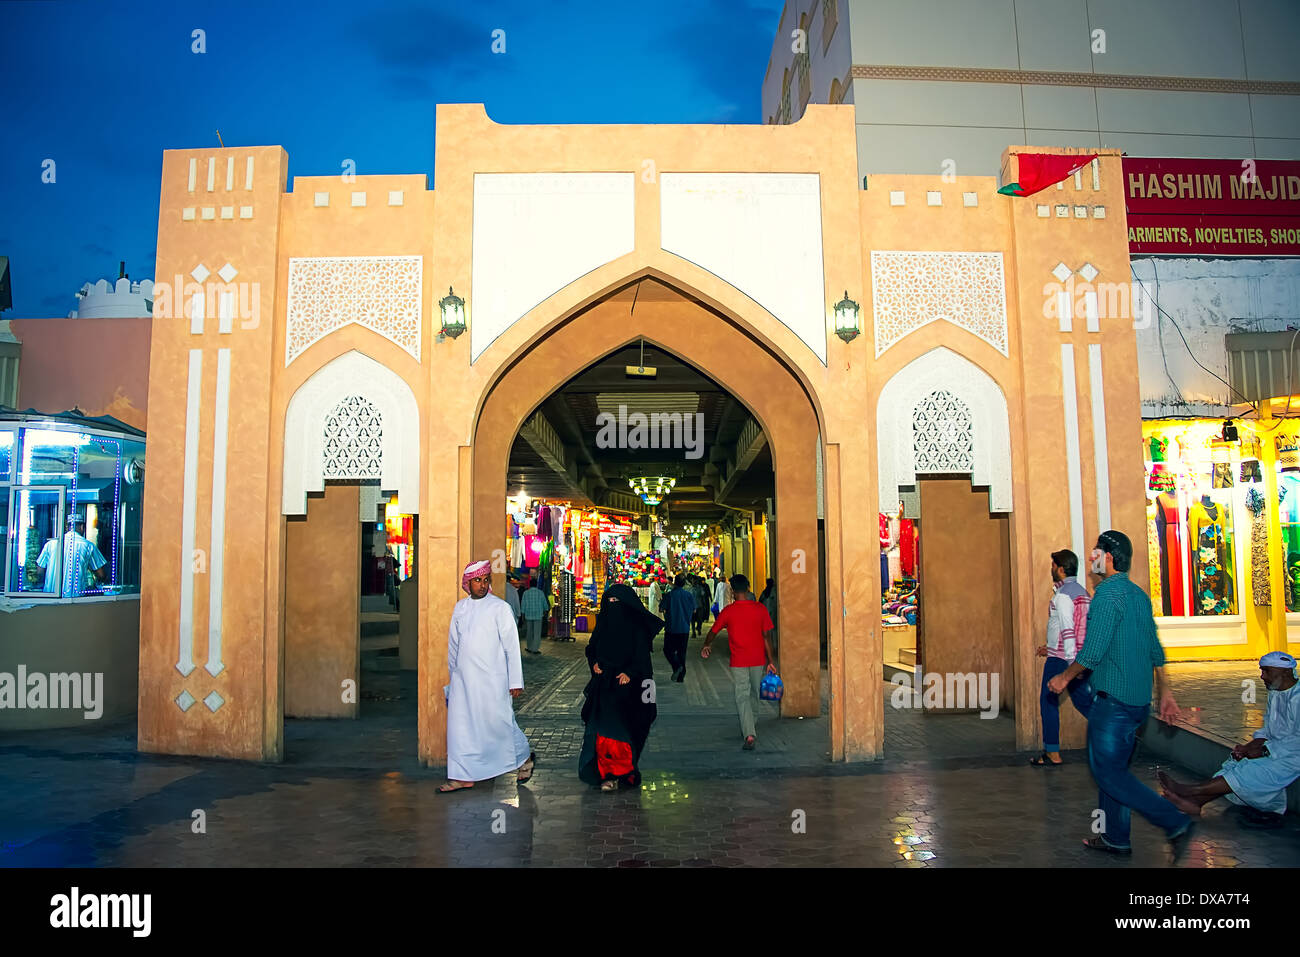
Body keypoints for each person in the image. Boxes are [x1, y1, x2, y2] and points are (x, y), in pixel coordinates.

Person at [1048, 530, 1195, 859]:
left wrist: (1064, 677)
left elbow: (1093, 651)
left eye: (1096, 551)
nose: (1091, 557)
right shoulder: (1138, 595)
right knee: (1112, 770)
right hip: (1138, 704)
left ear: (1109, 558)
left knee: (1109, 773)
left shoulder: (1107, 595)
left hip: (1113, 703)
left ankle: (1175, 822)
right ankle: (1115, 837)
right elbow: (1155, 648)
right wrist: (1166, 691)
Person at [1157, 651, 1300, 828]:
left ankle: (1189, 790)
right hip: (1276, 750)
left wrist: (1264, 750)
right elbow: (1269, 729)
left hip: (1293, 757)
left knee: (1246, 772)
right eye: (1262, 671)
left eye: (1267, 671)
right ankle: (1195, 803)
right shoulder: (1276, 693)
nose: (1262, 676)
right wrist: (1249, 747)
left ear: (1285, 672)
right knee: (1235, 763)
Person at [440, 560, 536, 793]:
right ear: (468, 584)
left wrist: (515, 681)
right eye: (477, 581)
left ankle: (524, 758)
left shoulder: (500, 608)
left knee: (498, 724)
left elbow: (511, 647)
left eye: (485, 581)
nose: (482, 585)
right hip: (463, 681)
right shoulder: (460, 608)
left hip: (493, 681)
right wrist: (453, 680)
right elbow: (454, 646)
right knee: (461, 728)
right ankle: (463, 776)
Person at [579, 584, 662, 792]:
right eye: (610, 602)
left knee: (625, 734)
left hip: (630, 690)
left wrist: (630, 672)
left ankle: (622, 771)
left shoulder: (636, 628)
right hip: (605, 686)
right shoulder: (604, 624)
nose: (613, 606)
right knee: (604, 733)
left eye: (617, 602)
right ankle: (607, 774)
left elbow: (642, 657)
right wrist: (595, 663)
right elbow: (592, 648)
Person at [1030, 549, 1094, 766]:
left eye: (1053, 565)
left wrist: (1069, 667)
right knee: (1083, 701)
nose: (1051, 569)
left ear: (1061, 568)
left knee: (1047, 701)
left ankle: (1052, 752)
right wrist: (1050, 647)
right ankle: (1112, 732)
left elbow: (1068, 630)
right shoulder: (1081, 592)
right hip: (1076, 656)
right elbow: (1079, 629)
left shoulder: (1064, 595)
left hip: (1064, 659)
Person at [702, 574, 777, 750]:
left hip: (739, 661)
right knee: (753, 694)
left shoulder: (728, 612)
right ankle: (750, 728)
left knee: (742, 695)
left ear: (733, 591)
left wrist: (707, 644)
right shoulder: (760, 609)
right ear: (749, 588)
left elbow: (714, 631)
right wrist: (771, 661)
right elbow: (767, 637)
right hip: (758, 660)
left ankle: (749, 730)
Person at [37, 513, 107, 596]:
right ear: (82, 527)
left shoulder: (50, 544)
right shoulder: (88, 546)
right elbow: (101, 574)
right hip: (74, 599)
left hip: (50, 597)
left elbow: (39, 571)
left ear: (67, 527)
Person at [663, 573, 697, 682]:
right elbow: (694, 609)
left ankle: (677, 667)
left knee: (668, 650)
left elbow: (661, 609)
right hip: (684, 628)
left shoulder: (669, 595)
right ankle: (680, 676)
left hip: (671, 628)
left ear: (674, 582)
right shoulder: (688, 595)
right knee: (682, 652)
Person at [520, 578, 549, 656]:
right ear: (536, 584)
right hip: (538, 615)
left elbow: (523, 605)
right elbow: (544, 604)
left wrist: (522, 615)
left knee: (529, 632)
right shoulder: (540, 593)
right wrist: (546, 611)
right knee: (537, 633)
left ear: (530, 584)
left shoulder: (526, 593)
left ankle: (529, 647)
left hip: (528, 615)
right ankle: (535, 649)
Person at [758, 577, 778, 647]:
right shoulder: (775, 591)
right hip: (773, 611)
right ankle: (774, 645)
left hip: (766, 611)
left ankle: (768, 645)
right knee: (774, 629)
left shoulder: (765, 591)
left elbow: (760, 600)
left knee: (767, 629)